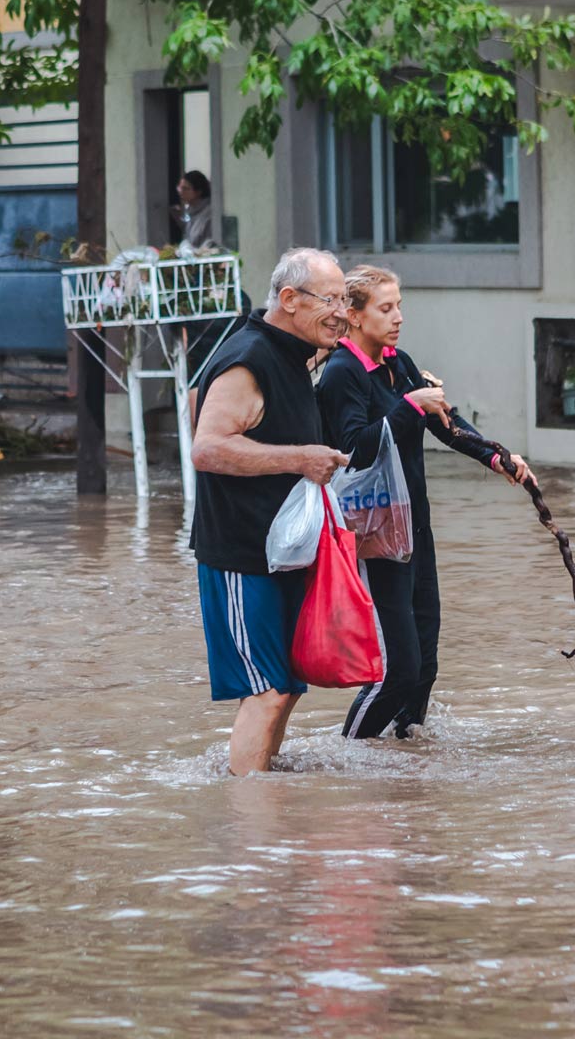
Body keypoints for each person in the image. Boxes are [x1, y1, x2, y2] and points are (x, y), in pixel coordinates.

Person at [316, 265, 535, 741]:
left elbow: (446, 424)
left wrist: (498, 457)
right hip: (372, 537)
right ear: (353, 316)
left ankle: (406, 764)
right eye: (386, 308)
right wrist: (409, 404)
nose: (398, 318)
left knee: (425, 666)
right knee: (398, 670)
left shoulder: (399, 363)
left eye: (400, 307)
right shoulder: (341, 374)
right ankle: (347, 756)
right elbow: (354, 449)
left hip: (415, 530)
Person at [189, 248, 352, 775]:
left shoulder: (290, 353)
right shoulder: (250, 356)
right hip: (242, 551)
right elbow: (207, 447)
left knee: (286, 687)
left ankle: (270, 813)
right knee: (265, 691)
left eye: (346, 301)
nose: (343, 314)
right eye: (331, 301)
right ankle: (250, 827)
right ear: (288, 299)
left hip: (283, 552)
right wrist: (301, 459)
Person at [175, 170, 216, 249]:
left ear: (198, 192)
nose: (181, 192)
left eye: (185, 189)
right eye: (180, 188)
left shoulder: (208, 213)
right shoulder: (191, 213)